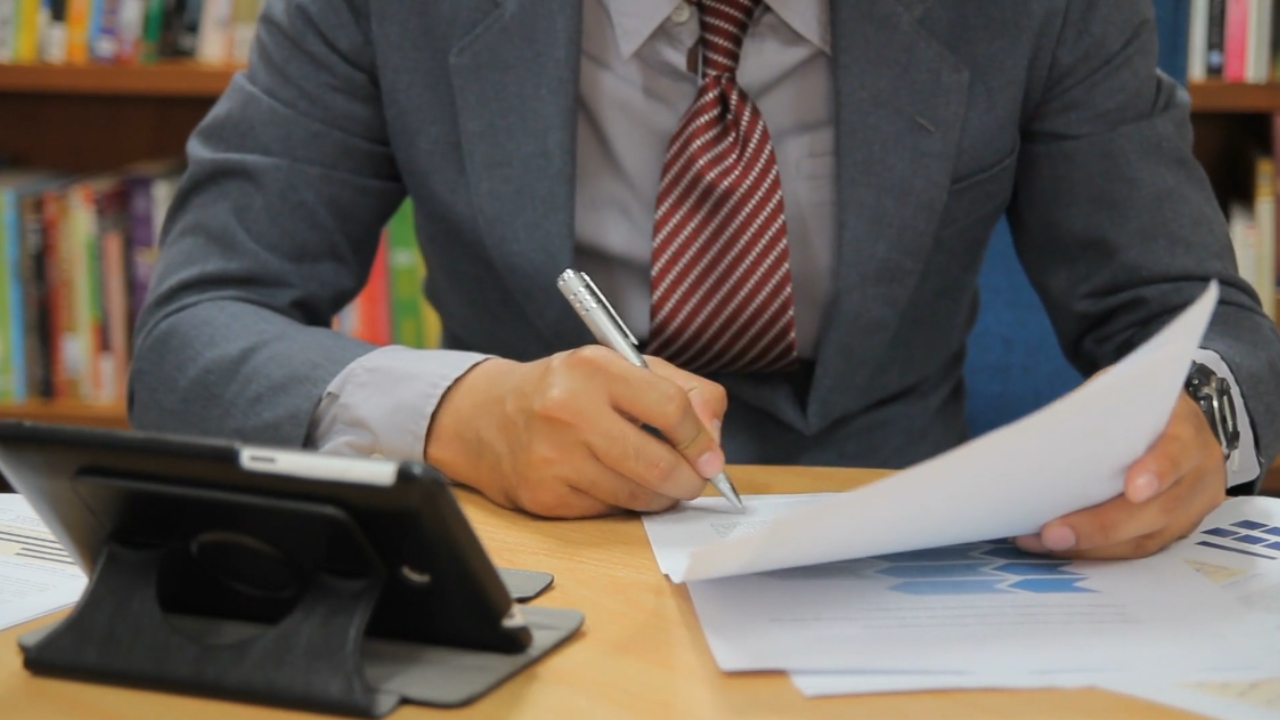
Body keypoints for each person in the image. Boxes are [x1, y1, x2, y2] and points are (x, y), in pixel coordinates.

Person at [131, 0, 1280, 560]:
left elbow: (1200, 322)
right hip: (523, 565)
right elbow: (195, 334)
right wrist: (456, 414)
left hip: (899, 574)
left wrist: (1200, 426)